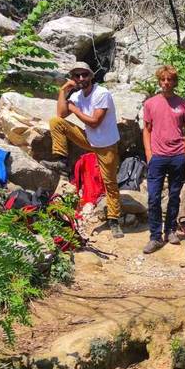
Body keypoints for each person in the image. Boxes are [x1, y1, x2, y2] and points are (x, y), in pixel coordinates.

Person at [43, 61, 124, 239]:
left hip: (106, 144)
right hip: (89, 139)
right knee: (56, 123)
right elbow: (61, 114)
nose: (81, 78)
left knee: (109, 182)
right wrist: (63, 91)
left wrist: (73, 108)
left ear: (91, 76)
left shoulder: (102, 93)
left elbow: (94, 121)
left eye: (84, 75)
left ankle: (113, 220)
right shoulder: (78, 95)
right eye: (77, 75)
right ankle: (61, 161)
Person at [141, 65, 185, 254]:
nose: (166, 83)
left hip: (177, 156)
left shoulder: (184, 104)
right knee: (154, 197)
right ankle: (155, 237)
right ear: (159, 81)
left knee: (174, 196)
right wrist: (149, 153)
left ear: (175, 82)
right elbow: (146, 129)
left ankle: (171, 230)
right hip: (157, 157)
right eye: (163, 79)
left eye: (170, 80)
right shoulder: (150, 103)